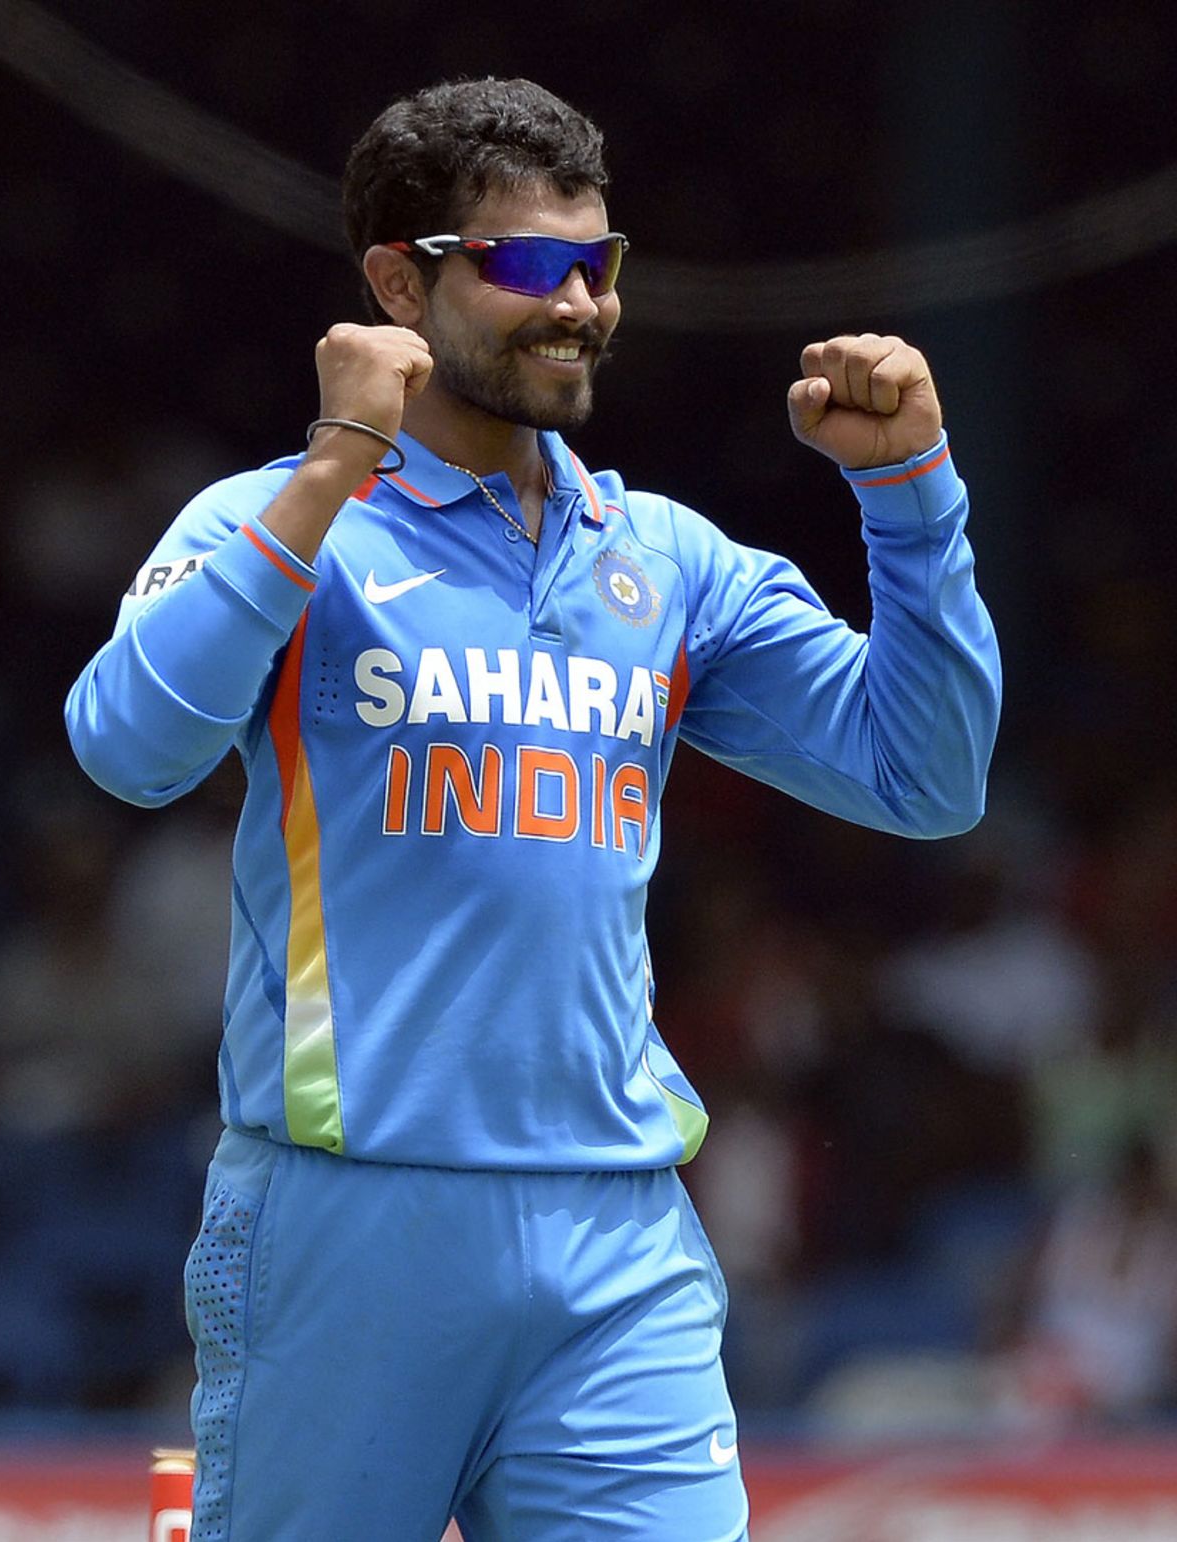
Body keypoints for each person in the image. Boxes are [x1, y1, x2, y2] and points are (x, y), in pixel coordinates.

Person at [66, 76, 1000, 1542]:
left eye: (596, 262)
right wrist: (333, 467)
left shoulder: (669, 560)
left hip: (616, 1236)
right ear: (399, 283)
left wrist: (913, 499)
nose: (577, 304)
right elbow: (127, 748)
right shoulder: (279, 521)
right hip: (347, 1221)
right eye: (523, 263)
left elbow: (927, 780)